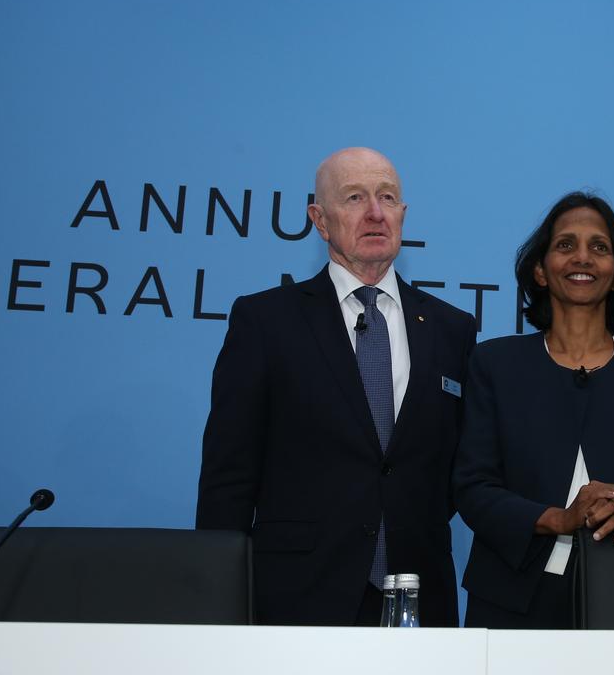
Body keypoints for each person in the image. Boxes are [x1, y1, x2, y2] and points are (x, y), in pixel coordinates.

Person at [195, 147, 476, 626]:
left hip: (419, 594)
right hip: (298, 594)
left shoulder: (453, 329)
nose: (374, 212)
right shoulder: (265, 322)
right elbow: (229, 476)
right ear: (319, 220)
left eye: (387, 197)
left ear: (403, 216)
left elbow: (460, 466)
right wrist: (219, 601)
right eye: (354, 198)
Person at [454, 192, 614, 628]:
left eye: (599, 247)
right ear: (540, 271)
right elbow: (473, 487)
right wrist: (558, 520)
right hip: (510, 600)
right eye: (565, 245)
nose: (582, 258)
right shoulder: (494, 363)